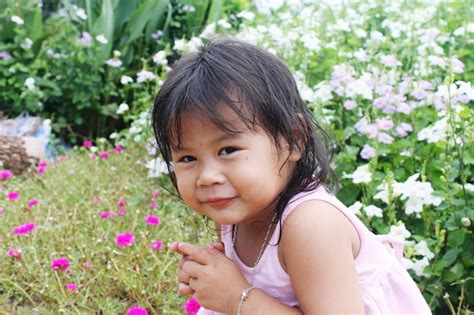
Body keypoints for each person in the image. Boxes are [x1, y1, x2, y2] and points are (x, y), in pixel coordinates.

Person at [151, 38, 431, 314]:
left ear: (292, 140)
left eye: (228, 150)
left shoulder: (311, 225)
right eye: (187, 158)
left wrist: (236, 297)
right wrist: (212, 274)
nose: (207, 177)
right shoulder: (239, 207)